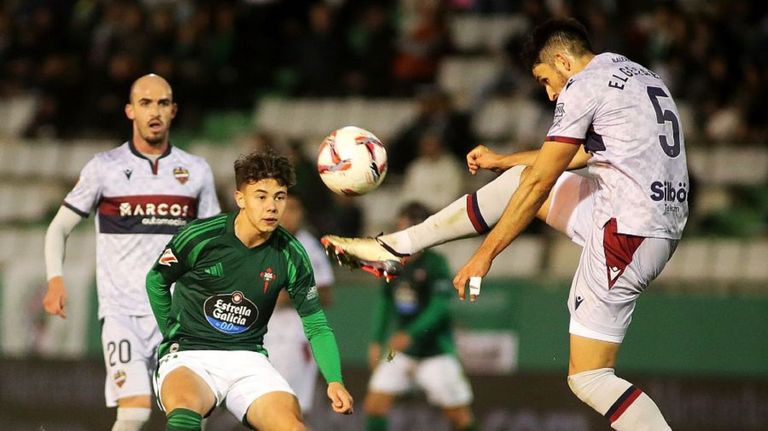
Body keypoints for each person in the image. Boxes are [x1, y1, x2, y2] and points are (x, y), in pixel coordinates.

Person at [322, 18, 688, 431]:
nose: (550, 93)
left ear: (563, 61)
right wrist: (504, 161)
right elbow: (592, 153)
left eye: (545, 79)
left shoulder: (582, 87)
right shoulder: (632, 72)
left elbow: (540, 184)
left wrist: (484, 255)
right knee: (515, 179)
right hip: (646, 218)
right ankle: (398, 246)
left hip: (626, 232)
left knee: (589, 376)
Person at [43, 73, 221, 431]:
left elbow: (213, 243)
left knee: (190, 413)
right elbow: (58, 227)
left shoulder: (197, 171)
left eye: (162, 103)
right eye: (145, 103)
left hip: (178, 316)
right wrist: (55, 279)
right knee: (135, 411)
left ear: (174, 110)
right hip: (122, 312)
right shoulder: (103, 168)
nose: (154, 111)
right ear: (129, 110)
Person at [146, 152, 353, 431]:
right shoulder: (200, 237)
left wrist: (335, 380)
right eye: (261, 196)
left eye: (279, 197)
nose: (272, 207)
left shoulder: (291, 254)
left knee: (293, 427)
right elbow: (156, 281)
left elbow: (316, 325)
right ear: (240, 198)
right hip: (189, 354)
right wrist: (171, 331)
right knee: (184, 416)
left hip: (248, 358)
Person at [363, 202, 476, 431]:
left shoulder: (436, 264)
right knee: (374, 405)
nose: (401, 234)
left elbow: (440, 307)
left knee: (459, 417)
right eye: (400, 227)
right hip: (399, 351)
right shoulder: (392, 263)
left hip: (435, 351)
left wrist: (411, 333)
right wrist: (376, 340)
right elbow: (385, 303)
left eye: (407, 228)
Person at [263, 194, 334, 417]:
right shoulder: (261, 241)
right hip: (264, 335)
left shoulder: (310, 247)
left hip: (297, 337)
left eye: (295, 208)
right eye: (285, 207)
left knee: (291, 408)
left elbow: (326, 295)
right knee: (264, 407)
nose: (290, 214)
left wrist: (293, 297)